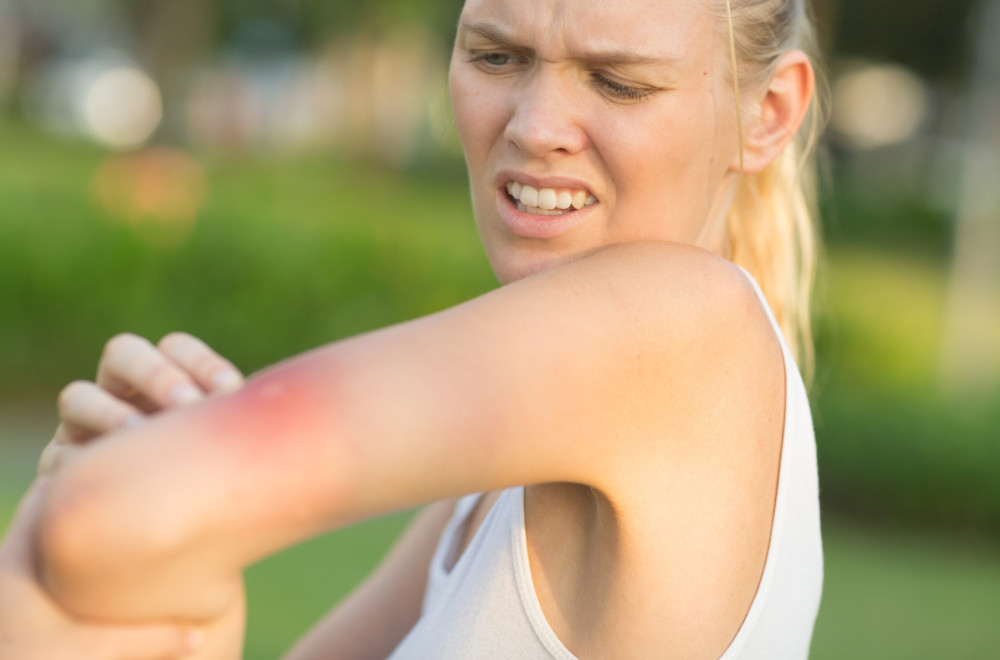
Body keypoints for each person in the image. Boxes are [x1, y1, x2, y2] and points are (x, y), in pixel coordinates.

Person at [0, 0, 825, 657]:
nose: (536, 126)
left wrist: (109, 512)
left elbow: (101, 518)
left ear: (769, 112)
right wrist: (181, 612)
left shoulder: (681, 322)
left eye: (618, 82)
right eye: (497, 55)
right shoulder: (504, 475)